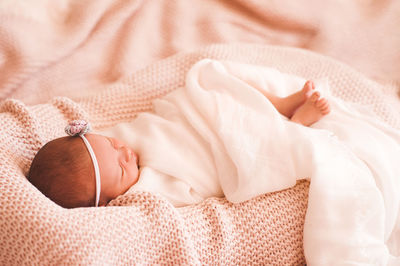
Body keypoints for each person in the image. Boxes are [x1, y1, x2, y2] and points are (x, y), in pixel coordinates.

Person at [28, 79, 330, 209]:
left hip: (195, 120)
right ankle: (296, 125)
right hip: (217, 154)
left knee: (209, 85)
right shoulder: (145, 194)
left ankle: (278, 103)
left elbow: (151, 123)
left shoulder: (112, 146)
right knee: (257, 150)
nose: (124, 152)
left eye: (112, 144)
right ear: (109, 200)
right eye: (121, 170)